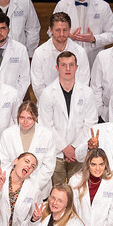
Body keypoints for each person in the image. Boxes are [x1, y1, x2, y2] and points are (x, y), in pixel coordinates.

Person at [37, 50, 99, 185]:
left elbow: (91, 123)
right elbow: (46, 125)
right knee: (56, 192)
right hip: (56, 152)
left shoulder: (87, 93)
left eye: (71, 65)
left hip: (79, 152)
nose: (68, 68)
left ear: (77, 67)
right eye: (64, 65)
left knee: (77, 192)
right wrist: (65, 148)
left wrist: (75, 148)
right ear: (57, 68)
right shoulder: (47, 93)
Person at [52, 0, 113, 65]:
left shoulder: (103, 6)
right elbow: (51, 31)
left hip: (94, 58)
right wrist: (67, 35)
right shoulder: (62, 5)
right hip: (68, 58)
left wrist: (94, 39)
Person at [0, 101, 57, 186]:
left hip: (39, 186)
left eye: (29, 118)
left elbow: (48, 166)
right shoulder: (7, 134)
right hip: (13, 185)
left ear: (36, 118)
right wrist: (16, 182)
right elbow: (5, 162)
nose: (25, 122)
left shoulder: (47, 135)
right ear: (17, 116)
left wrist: (33, 186)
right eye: (22, 117)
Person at [31, 12, 92, 91]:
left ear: (70, 29)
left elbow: (84, 83)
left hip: (75, 101)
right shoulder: (39, 53)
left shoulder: (80, 52)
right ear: (50, 30)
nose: (62, 34)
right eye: (58, 30)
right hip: (47, 101)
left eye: (65, 30)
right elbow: (38, 86)